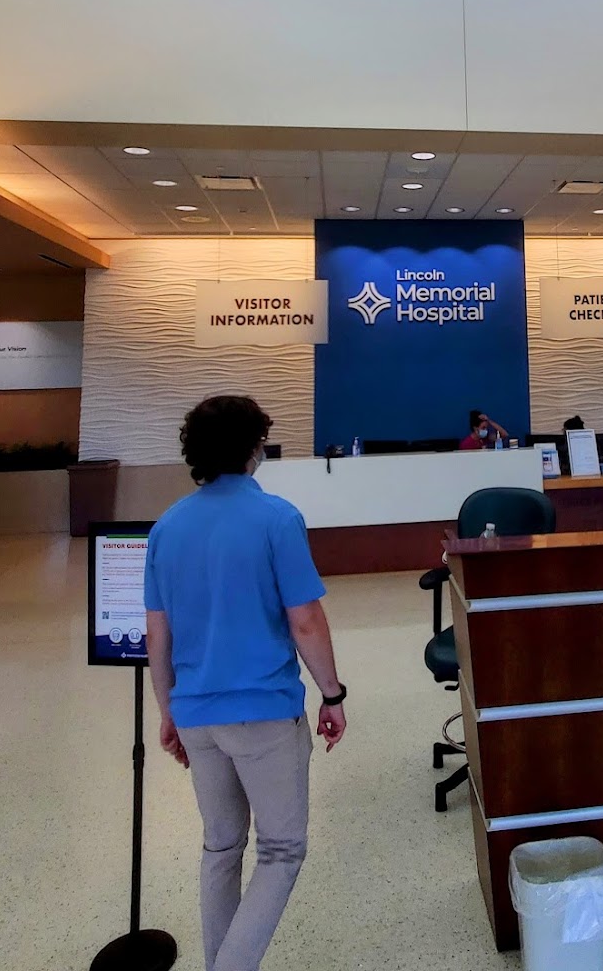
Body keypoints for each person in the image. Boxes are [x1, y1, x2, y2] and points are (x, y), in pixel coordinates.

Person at [144, 395, 347, 971]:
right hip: (263, 713)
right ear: (255, 447)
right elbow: (305, 621)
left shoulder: (166, 527)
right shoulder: (276, 518)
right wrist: (332, 694)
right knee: (281, 851)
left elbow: (158, 634)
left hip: (196, 714)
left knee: (221, 846)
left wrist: (168, 711)